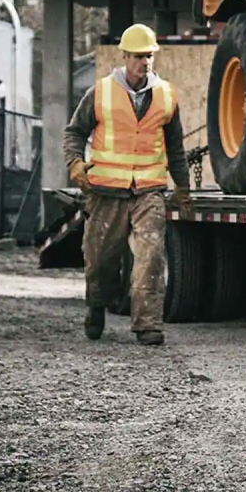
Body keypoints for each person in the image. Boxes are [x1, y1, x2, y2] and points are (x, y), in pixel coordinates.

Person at [64, 23, 191, 345]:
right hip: (106, 192)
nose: (144, 62)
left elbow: (175, 147)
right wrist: (75, 163)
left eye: (148, 56)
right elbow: (74, 132)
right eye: (138, 56)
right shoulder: (101, 92)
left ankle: (148, 325)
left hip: (148, 191)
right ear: (124, 56)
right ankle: (96, 305)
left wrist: (183, 187)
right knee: (100, 261)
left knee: (150, 257)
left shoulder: (166, 95)